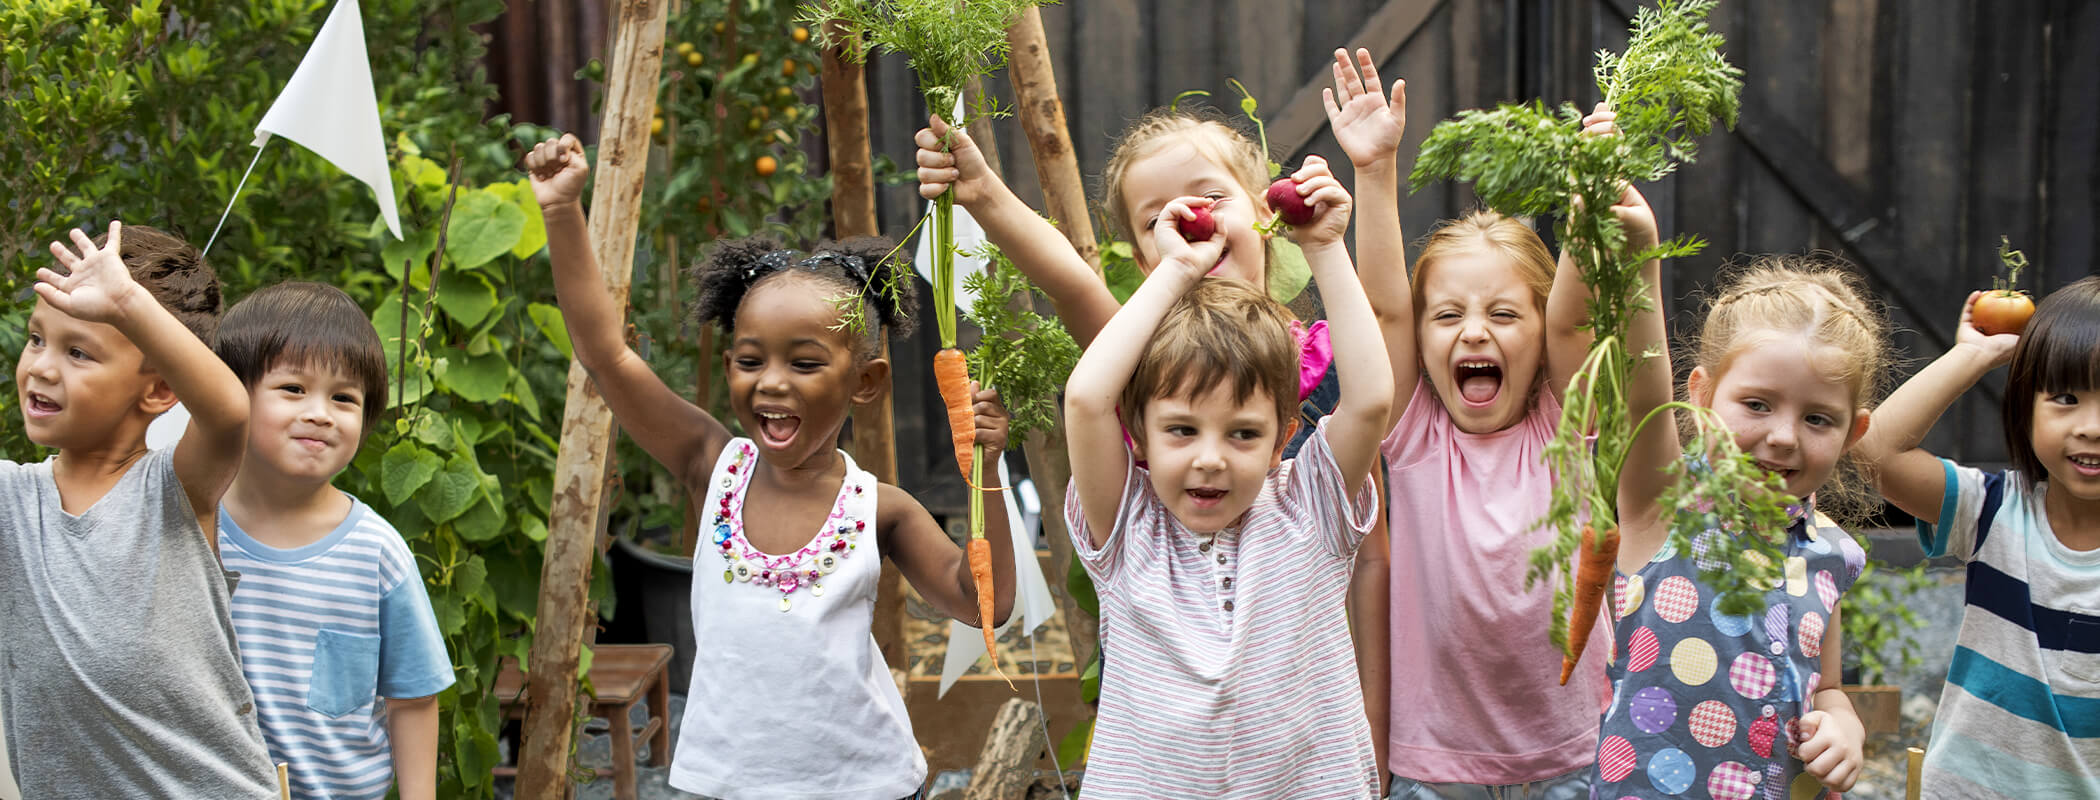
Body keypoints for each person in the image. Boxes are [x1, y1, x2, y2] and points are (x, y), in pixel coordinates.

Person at [527, 134, 1014, 799]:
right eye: (751, 360)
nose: (772, 383)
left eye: (805, 363)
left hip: (863, 785)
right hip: (725, 783)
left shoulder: (882, 508)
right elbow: (607, 356)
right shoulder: (710, 463)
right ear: (730, 367)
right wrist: (561, 213)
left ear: (865, 382)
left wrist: (987, 471)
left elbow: (984, 603)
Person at [1061, 155, 1391, 797]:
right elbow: (1084, 400)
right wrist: (1178, 270)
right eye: (1182, 430)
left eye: (1242, 433)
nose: (1210, 457)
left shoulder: (1311, 509)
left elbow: (1372, 399)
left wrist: (1324, 247)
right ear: (1141, 433)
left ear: (1282, 440)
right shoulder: (1125, 525)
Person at [0, 222, 277, 797]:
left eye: (78, 351)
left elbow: (228, 412)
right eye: (36, 339)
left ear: (157, 391)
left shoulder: (174, 486)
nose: (43, 367)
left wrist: (127, 302)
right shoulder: (13, 500)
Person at [1602, 257, 1883, 797]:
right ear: (1702, 395)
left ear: (1854, 432)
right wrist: (1637, 253)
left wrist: (1844, 724)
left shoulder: (1832, 553)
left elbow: (1827, 688)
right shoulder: (1664, 502)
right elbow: (1641, 384)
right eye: (1757, 404)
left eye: (1817, 418)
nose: (1782, 436)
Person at [1854, 276, 2100, 797]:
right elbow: (1874, 451)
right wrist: (1974, 356)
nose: (2091, 426)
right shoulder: (1992, 510)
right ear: (2024, 408)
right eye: (2065, 397)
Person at [213, 282, 453, 799]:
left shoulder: (377, 554)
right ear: (233, 395)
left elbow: (412, 698)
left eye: (344, 397)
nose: (320, 412)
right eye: (294, 389)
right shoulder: (196, 528)